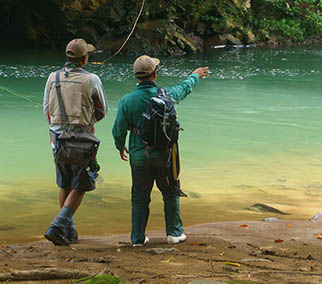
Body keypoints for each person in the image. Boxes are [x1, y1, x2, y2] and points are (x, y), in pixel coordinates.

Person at [112, 55, 209, 247]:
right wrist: (195, 76)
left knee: (140, 198)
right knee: (170, 192)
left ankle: (138, 239)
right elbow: (184, 88)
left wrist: (120, 145)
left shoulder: (126, 101)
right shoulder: (167, 95)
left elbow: (118, 130)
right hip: (165, 155)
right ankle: (174, 233)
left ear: (136, 76)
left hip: (139, 156)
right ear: (155, 74)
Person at [42, 37, 107, 246]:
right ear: (85, 58)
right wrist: (89, 122)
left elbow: (47, 111)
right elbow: (102, 110)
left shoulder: (53, 77)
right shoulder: (92, 79)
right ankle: (58, 226)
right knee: (81, 184)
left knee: (65, 183)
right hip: (82, 138)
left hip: (57, 138)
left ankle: (69, 232)